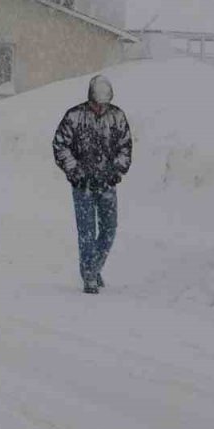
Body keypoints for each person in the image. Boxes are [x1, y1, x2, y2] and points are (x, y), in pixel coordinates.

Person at [52, 74, 132, 294]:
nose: (100, 108)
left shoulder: (118, 117)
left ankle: (94, 267)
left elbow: (125, 148)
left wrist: (115, 171)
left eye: (104, 104)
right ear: (90, 99)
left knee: (109, 229)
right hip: (83, 185)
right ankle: (89, 276)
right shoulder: (75, 117)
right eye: (97, 104)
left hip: (107, 184)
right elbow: (61, 146)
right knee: (87, 232)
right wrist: (75, 172)